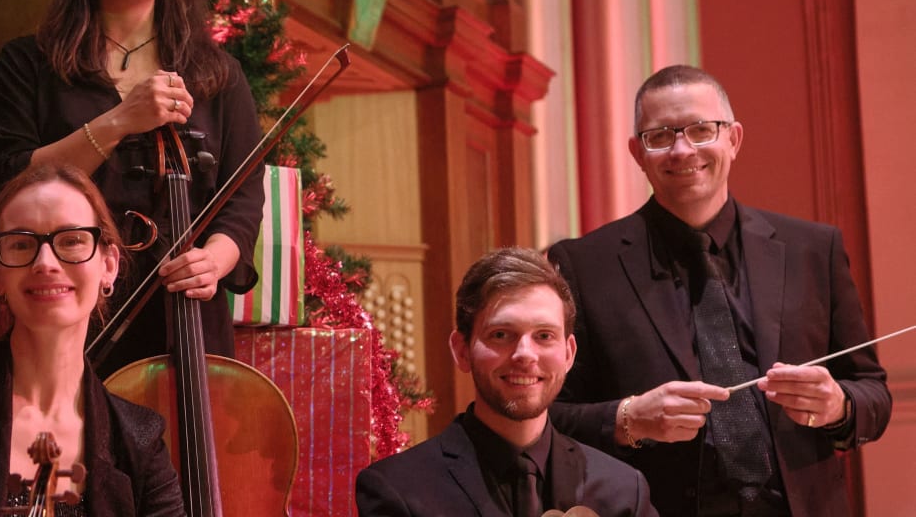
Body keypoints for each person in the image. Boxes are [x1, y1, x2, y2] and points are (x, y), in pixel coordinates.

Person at [547, 65, 891, 517]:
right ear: (637, 152)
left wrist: (838, 405)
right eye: (660, 136)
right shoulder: (584, 265)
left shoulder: (813, 249)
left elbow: (873, 394)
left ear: (734, 139)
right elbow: (550, 415)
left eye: (701, 130)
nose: (683, 149)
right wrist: (629, 418)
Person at [0, 0, 264, 375]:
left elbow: (242, 196)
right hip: (63, 309)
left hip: (188, 328)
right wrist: (119, 121)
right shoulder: (27, 64)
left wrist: (216, 259)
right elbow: (11, 181)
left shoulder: (219, 77)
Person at [0, 163, 186, 516]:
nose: (45, 262)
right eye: (21, 244)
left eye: (71, 240)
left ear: (109, 265)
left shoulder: (141, 438)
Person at [356, 247, 657, 517]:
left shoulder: (624, 491)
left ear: (568, 353)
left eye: (544, 336)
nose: (525, 354)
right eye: (501, 334)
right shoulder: (398, 490)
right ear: (462, 350)